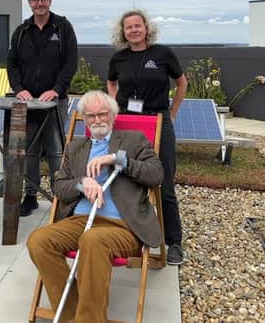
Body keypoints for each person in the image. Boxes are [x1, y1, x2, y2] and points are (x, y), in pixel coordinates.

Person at [27, 90, 164, 323]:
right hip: (80, 221)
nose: (97, 120)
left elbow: (156, 174)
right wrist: (82, 183)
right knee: (38, 241)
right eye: (90, 116)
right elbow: (59, 186)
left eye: (102, 114)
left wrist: (117, 160)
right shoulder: (75, 149)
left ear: (113, 115)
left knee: (92, 241)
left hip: (121, 225)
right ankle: (75, 314)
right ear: (84, 119)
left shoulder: (134, 140)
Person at [107, 9, 188, 265]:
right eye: (128, 27)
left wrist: (172, 112)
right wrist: (113, 107)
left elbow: (181, 82)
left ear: (146, 28)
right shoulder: (118, 58)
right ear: (123, 32)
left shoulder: (162, 53)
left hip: (157, 121)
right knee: (124, 178)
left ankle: (173, 242)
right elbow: (111, 83)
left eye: (137, 26)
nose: (133, 30)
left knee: (163, 181)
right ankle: (127, 233)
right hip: (128, 123)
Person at [7, 0, 78, 217]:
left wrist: (57, 89)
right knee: (30, 152)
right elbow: (12, 64)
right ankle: (30, 196)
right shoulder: (21, 31)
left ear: (50, 0)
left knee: (57, 151)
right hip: (27, 103)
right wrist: (18, 88)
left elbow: (70, 62)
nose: (39, 3)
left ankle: (62, 198)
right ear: (29, 2)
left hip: (54, 103)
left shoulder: (63, 27)